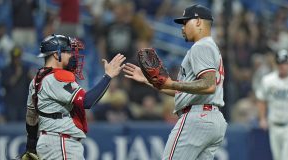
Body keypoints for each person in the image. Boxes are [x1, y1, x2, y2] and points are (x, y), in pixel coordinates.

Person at [123, 4, 227, 160]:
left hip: (197, 118)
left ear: (198, 22)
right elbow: (184, 91)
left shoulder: (200, 47)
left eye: (186, 22)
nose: (182, 28)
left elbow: (208, 85)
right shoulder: (211, 47)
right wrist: (149, 81)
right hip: (212, 119)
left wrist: (170, 83)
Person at [23, 34, 125, 159]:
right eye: (67, 51)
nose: (72, 55)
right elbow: (87, 102)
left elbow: (31, 117)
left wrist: (31, 145)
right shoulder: (58, 77)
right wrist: (108, 76)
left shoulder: (36, 80)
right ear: (56, 54)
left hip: (50, 141)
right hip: (61, 143)